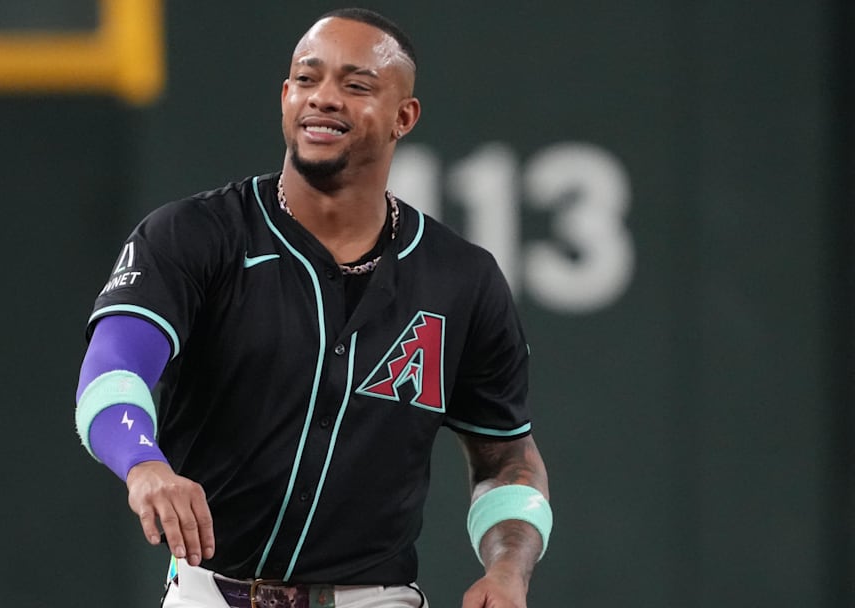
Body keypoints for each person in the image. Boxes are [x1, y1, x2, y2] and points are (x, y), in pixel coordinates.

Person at [75, 8, 551, 608]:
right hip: (211, 593)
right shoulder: (195, 234)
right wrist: (143, 463)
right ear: (284, 96)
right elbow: (113, 369)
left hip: (373, 598)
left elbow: (506, 456)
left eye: (356, 85)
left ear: (404, 116)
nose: (323, 98)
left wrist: (509, 570)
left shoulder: (463, 279)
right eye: (307, 79)